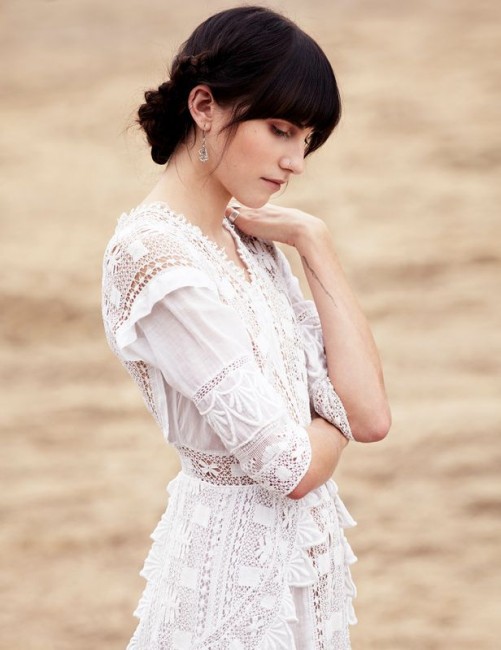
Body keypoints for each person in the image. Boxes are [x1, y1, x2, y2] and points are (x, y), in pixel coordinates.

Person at [102, 6, 390, 649]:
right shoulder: (154, 259)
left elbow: (370, 415)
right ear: (204, 106)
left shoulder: (251, 241)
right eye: (280, 129)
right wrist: (331, 419)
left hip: (303, 577)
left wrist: (315, 244)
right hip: (226, 592)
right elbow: (290, 467)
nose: (296, 162)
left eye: (307, 139)